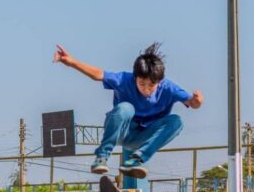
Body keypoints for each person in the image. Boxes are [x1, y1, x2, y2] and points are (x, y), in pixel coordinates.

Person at [53, 42, 204, 179]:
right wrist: (72, 62)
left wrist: (197, 101)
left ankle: (136, 160)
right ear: (135, 78)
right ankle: (102, 156)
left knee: (176, 121)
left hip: (144, 137)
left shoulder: (169, 88)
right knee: (126, 108)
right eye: (142, 83)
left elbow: (192, 103)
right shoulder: (124, 79)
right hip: (122, 131)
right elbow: (98, 74)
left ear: (159, 82)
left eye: (151, 85)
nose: (146, 89)